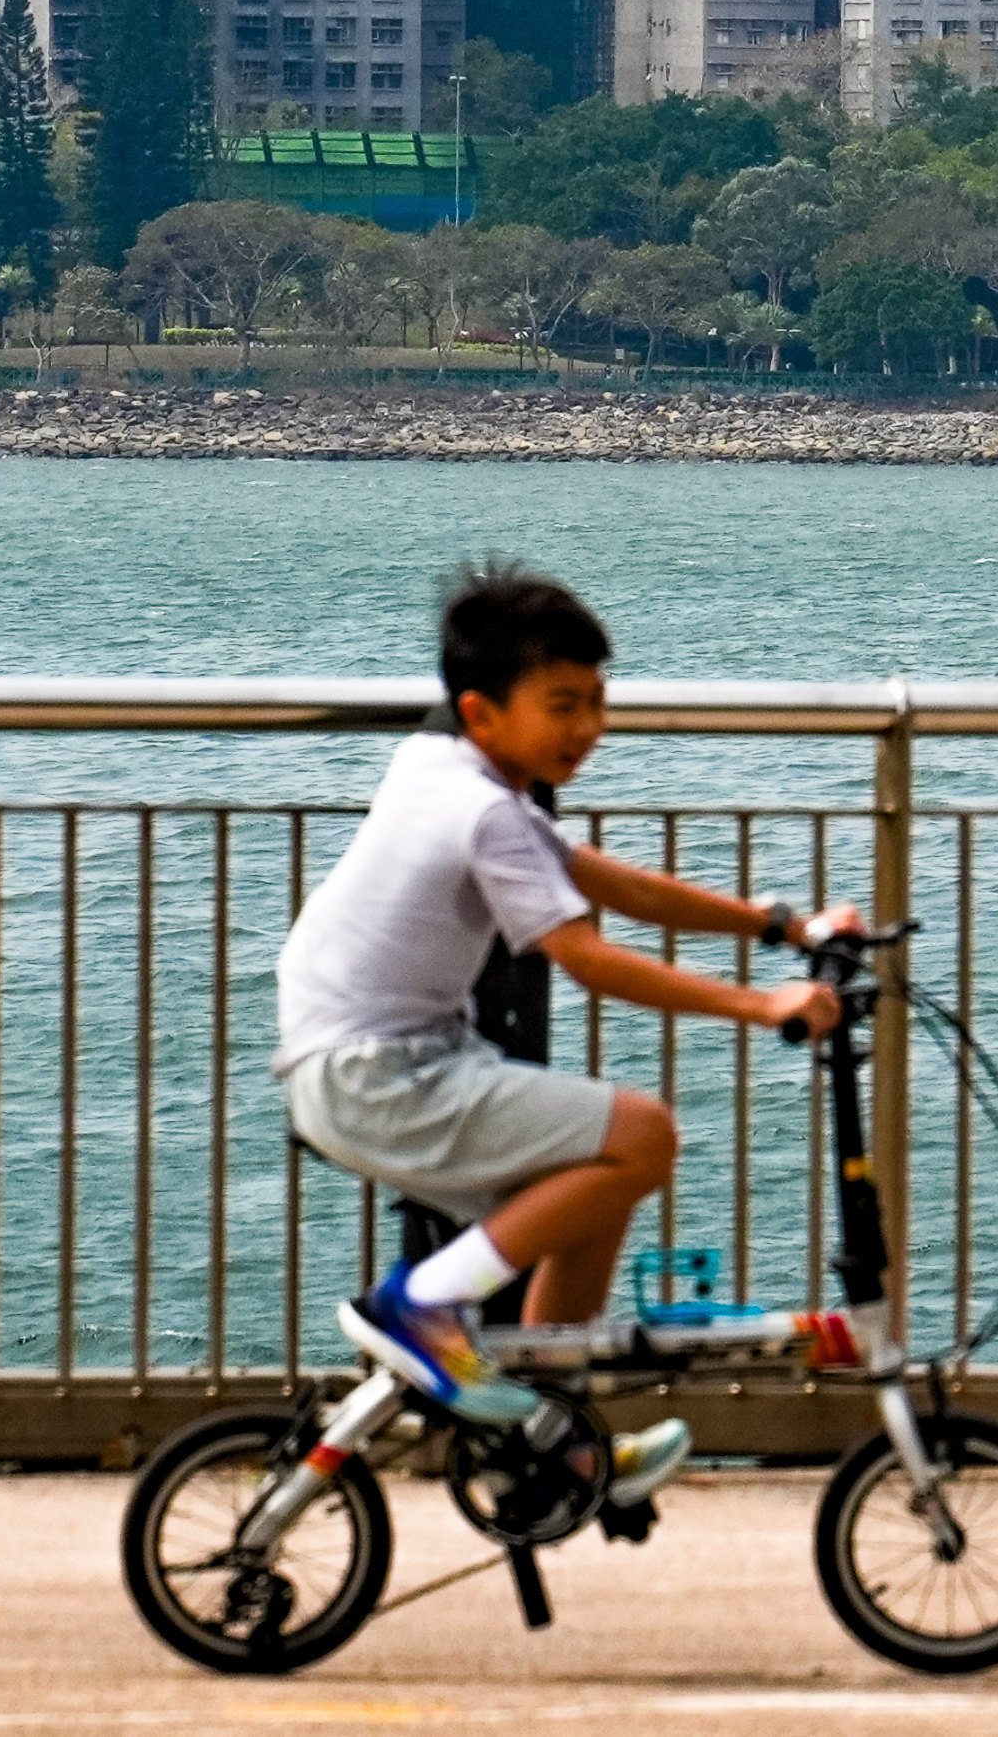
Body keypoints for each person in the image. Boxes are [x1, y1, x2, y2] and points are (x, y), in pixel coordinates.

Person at [278, 561, 853, 1507]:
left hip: (369, 1056)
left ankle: (552, 1438)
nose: (588, 726)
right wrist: (762, 1004)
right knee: (642, 1132)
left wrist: (778, 924)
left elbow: (604, 880)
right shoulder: (483, 810)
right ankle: (424, 1305)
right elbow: (587, 956)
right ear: (482, 710)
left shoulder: (446, 766)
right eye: (562, 704)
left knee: (599, 1181)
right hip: (374, 1070)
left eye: (597, 699)